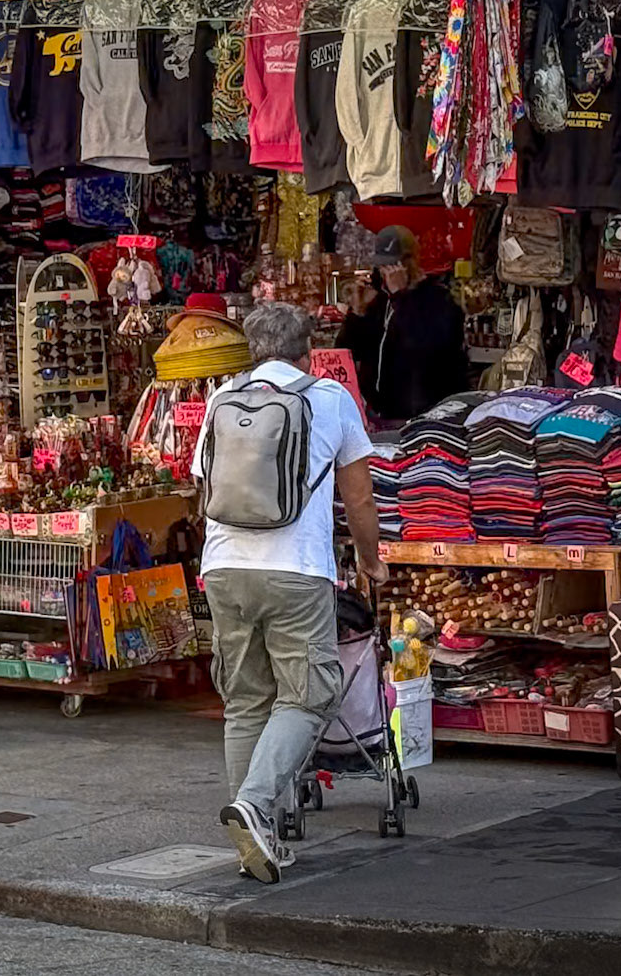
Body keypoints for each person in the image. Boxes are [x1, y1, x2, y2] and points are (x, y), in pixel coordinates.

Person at [193, 302, 388, 884]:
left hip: (224, 568)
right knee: (309, 695)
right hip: (296, 570)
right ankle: (255, 805)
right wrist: (371, 561)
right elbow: (358, 499)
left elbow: (201, 486)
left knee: (246, 701)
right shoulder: (329, 400)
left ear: (254, 351)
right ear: (310, 351)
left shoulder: (222, 400)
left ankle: (255, 838)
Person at [337, 225, 469, 424]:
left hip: (425, 413)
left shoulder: (440, 300)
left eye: (393, 267)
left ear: (410, 263)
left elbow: (422, 348)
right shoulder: (379, 302)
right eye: (383, 267)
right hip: (381, 414)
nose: (387, 274)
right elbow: (347, 352)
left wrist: (401, 296)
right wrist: (357, 313)